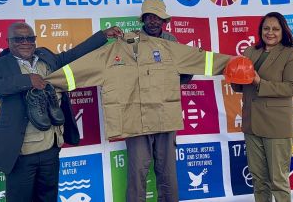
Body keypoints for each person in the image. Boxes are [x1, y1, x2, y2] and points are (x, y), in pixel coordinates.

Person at [43, 30, 233, 202]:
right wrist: (49, 83)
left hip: (164, 120)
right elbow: (78, 70)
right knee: (136, 175)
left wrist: (231, 64)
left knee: (167, 173)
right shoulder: (110, 54)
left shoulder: (166, 47)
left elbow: (201, 60)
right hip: (133, 123)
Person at [0, 22, 122, 202]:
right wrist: (26, 80)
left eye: (30, 38)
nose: (25, 42)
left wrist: (103, 36)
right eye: (19, 39)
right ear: (8, 41)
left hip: (50, 149)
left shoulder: (45, 56)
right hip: (21, 153)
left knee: (48, 198)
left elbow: (73, 54)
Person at [231, 12, 293, 202]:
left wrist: (259, 82)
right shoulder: (249, 51)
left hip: (277, 126)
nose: (270, 32)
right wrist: (233, 76)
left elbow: (292, 87)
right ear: (261, 30)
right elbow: (240, 85)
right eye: (266, 28)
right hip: (251, 124)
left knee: (278, 182)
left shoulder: (291, 54)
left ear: (283, 31)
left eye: (275, 29)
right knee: (259, 180)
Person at [139, 0, 193, 85]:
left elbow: (183, 66)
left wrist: (171, 86)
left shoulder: (170, 39)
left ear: (163, 20)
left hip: (165, 92)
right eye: (149, 17)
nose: (152, 21)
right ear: (144, 20)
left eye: (157, 17)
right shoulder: (133, 41)